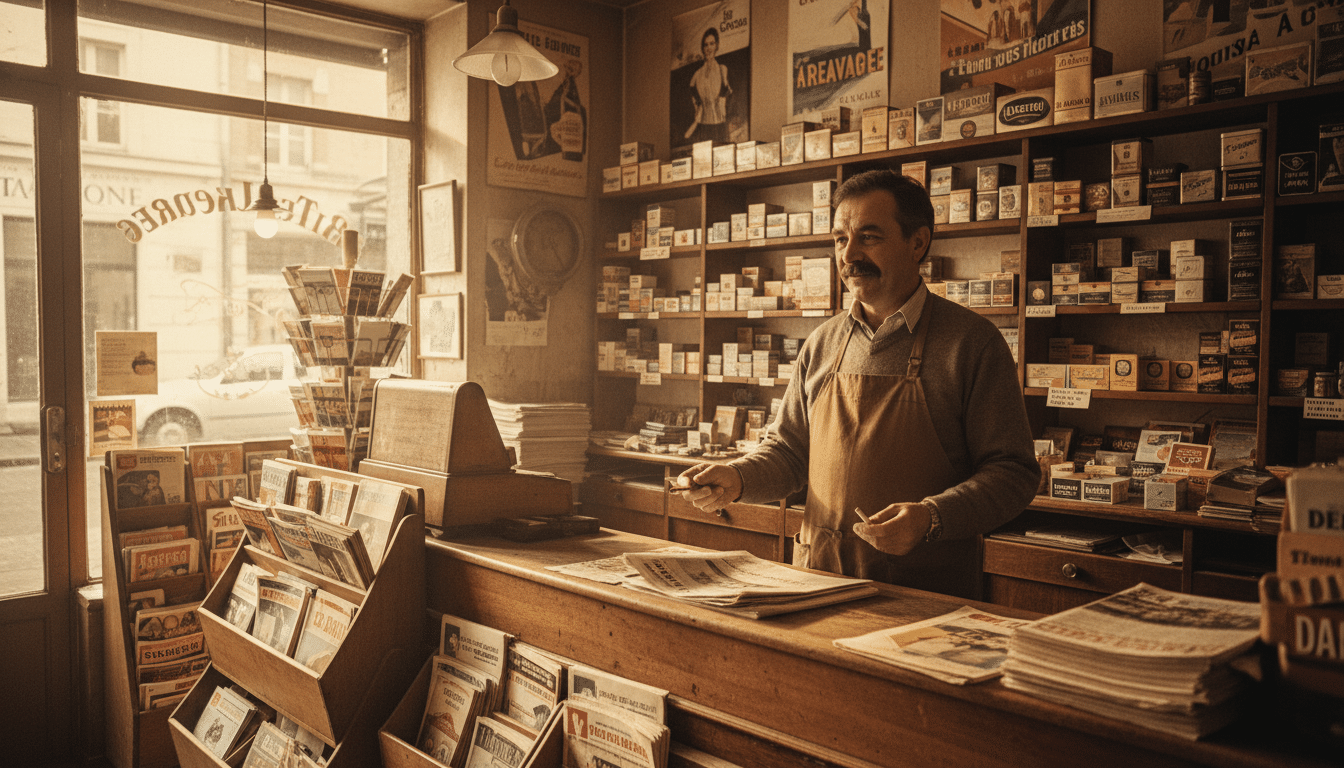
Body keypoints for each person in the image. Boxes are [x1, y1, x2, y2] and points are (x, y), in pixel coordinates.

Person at [677, 170, 1039, 599]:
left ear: (918, 243)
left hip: (925, 591)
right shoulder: (822, 342)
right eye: (839, 239)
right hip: (817, 580)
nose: (849, 255)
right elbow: (789, 452)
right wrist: (737, 477)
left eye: (868, 237)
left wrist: (932, 516)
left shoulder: (972, 343)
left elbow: (1013, 474)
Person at [684, 28, 731, 143]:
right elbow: (692, 94)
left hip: (720, 126)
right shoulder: (697, 74)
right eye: (705, 45)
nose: (708, 48)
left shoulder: (722, 69)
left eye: (712, 43)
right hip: (703, 127)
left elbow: (729, 91)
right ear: (702, 48)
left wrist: (724, 102)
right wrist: (697, 109)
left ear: (717, 46)